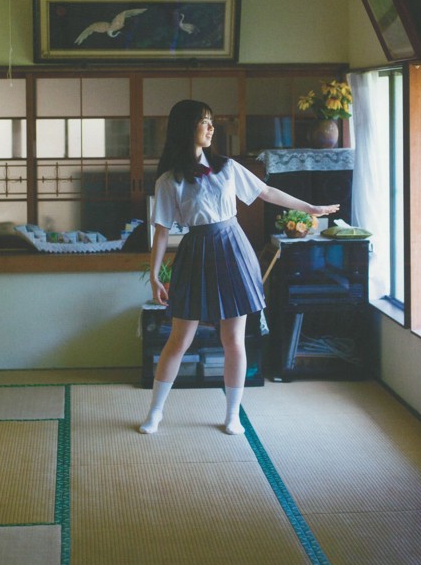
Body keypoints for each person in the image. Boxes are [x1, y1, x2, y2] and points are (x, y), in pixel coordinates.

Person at [139, 99, 340, 435]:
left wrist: (310, 208)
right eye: (204, 122)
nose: (211, 128)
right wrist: (155, 276)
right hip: (195, 252)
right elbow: (160, 232)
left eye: (211, 121)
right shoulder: (168, 181)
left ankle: (232, 415)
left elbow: (266, 192)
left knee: (233, 338)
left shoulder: (227, 167)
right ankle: (155, 412)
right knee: (179, 339)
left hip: (232, 248)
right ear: (187, 127)